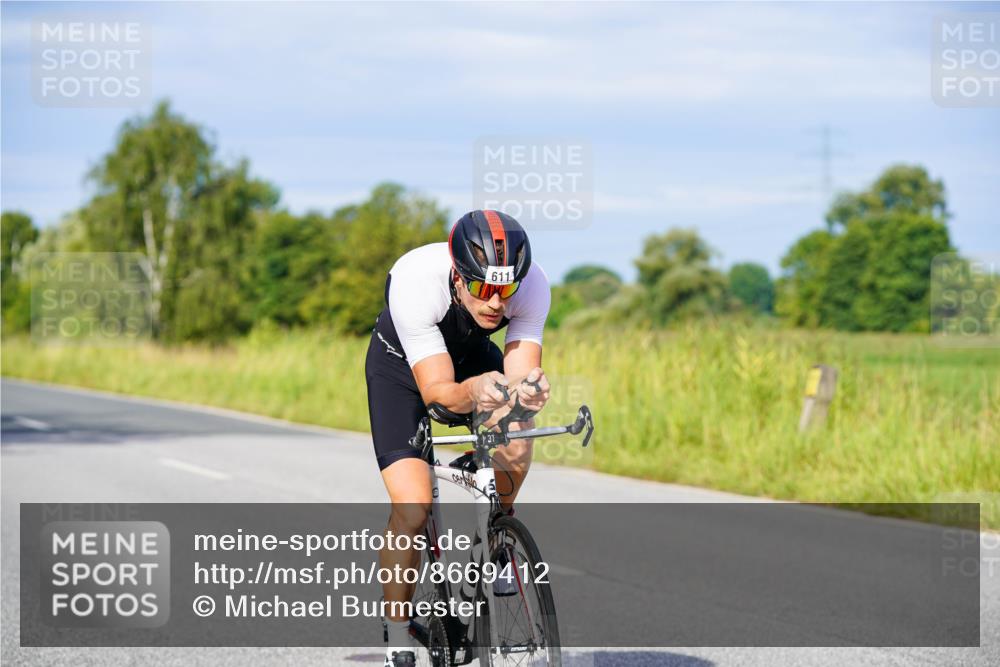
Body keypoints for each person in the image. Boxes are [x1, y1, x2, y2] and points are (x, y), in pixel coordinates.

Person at [365, 209, 551, 667]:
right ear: (458, 274)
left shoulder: (533, 284)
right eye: (483, 289)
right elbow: (439, 395)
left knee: (518, 425)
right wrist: (473, 392)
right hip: (404, 370)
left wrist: (527, 395)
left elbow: (520, 373)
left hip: (471, 355)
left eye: (505, 290)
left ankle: (499, 539)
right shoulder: (416, 281)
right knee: (413, 506)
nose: (496, 303)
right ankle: (397, 625)